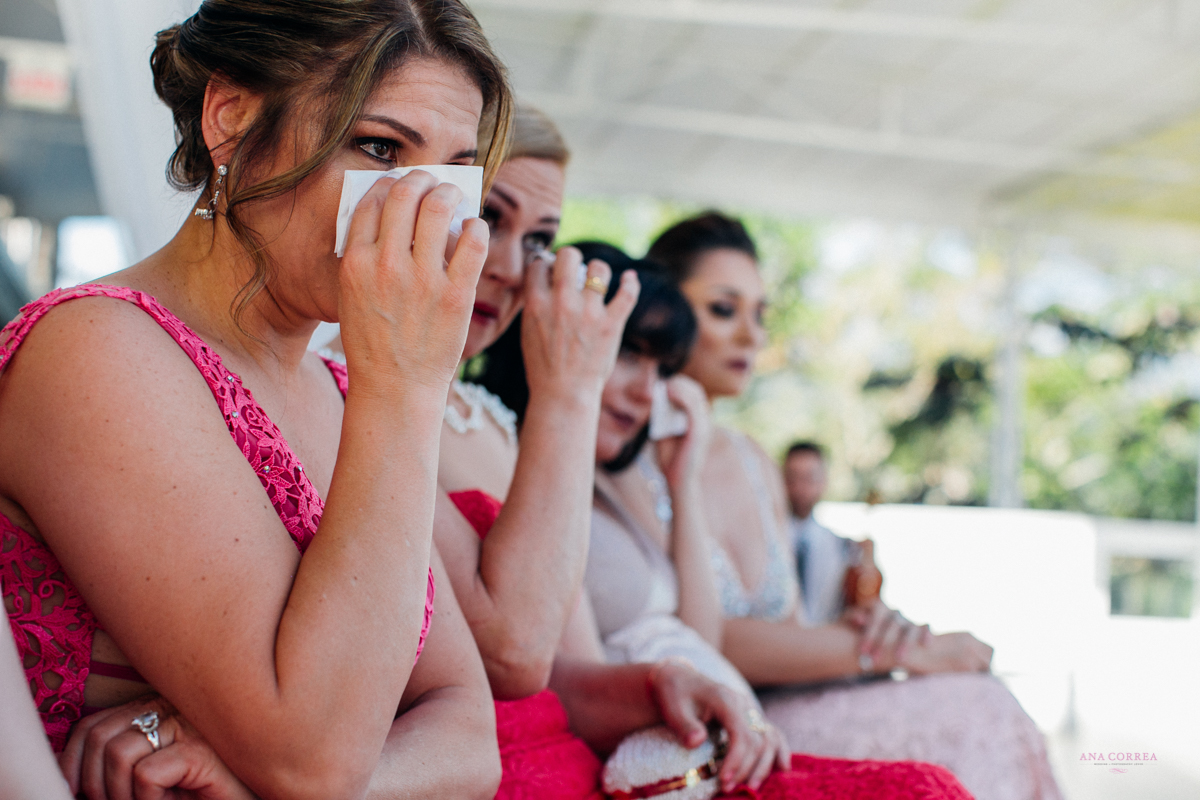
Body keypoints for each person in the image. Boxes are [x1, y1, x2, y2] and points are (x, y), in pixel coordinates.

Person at [0, 2, 511, 798]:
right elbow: (310, 755)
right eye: (379, 148)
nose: (425, 209)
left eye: (452, 173)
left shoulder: (349, 391)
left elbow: (470, 735)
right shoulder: (98, 350)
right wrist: (408, 384)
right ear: (231, 119)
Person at [479, 242, 975, 799]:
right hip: (669, 739)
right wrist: (881, 652)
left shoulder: (650, 476)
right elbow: (578, 681)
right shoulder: (552, 476)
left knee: (970, 714)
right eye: (626, 353)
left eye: (659, 366)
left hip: (722, 724)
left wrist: (683, 481)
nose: (646, 389)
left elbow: (703, 635)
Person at [637, 211, 1063, 800]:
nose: (751, 336)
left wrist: (867, 633)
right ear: (664, 308)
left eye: (760, 314)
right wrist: (909, 653)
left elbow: (783, 631)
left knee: (981, 699)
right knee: (976, 708)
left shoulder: (755, 459)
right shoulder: (630, 453)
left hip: (787, 701)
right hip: (718, 727)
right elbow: (708, 640)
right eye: (724, 309)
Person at [783, 441, 881, 626]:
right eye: (792, 478)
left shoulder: (844, 547)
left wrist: (867, 565)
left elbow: (863, 604)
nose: (799, 488)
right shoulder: (763, 543)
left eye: (809, 478)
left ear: (823, 482)